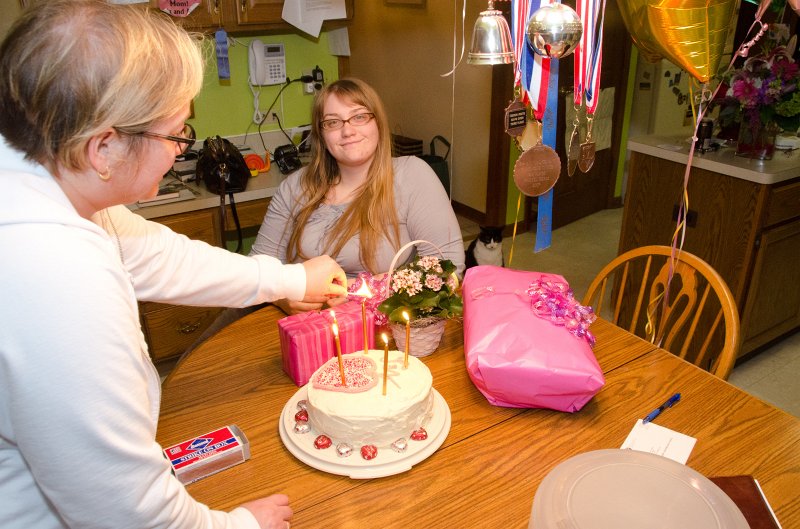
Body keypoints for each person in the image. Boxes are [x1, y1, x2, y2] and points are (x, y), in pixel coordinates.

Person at [0, 2, 347, 528]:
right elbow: (123, 508)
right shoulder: (54, 279)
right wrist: (236, 525)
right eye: (177, 134)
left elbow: (157, 255)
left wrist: (292, 277)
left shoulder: (43, 179)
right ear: (104, 148)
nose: (180, 150)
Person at [252, 77, 465, 315]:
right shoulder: (294, 187)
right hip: (306, 326)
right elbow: (259, 271)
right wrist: (282, 297)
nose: (348, 130)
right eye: (333, 122)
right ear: (321, 134)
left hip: (385, 325)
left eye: (359, 117)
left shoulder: (412, 175)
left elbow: (447, 271)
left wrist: (361, 291)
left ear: (378, 123)